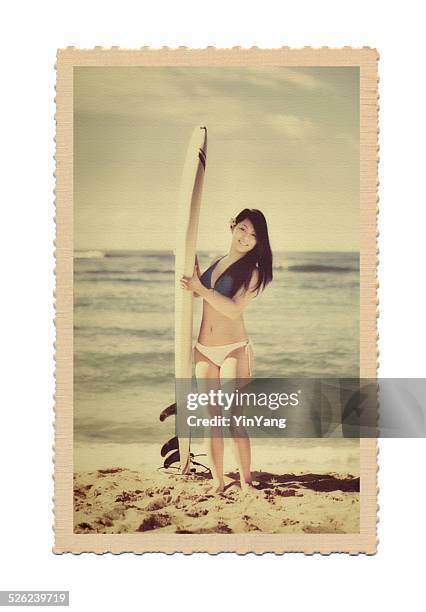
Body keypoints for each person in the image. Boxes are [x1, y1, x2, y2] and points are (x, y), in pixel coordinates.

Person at [180, 208, 273, 493]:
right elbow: (198, 291)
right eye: (243, 229)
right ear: (232, 226)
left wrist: (201, 288)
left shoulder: (254, 273)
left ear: (259, 242)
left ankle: (246, 481)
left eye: (254, 235)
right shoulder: (217, 261)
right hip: (204, 349)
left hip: (234, 349)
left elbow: (232, 310)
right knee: (213, 420)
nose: (246, 238)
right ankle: (218, 482)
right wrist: (189, 265)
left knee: (233, 419)